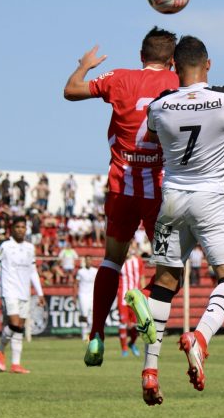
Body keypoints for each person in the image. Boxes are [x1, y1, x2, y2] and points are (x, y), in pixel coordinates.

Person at [133, 34, 224, 405]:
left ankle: (150, 371)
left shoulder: (161, 104)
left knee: (165, 284)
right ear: (209, 64)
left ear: (173, 68)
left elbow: (149, 135)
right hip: (212, 198)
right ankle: (200, 336)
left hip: (172, 201)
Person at [63, 27, 180, 367]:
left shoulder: (120, 78)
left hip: (121, 185)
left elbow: (70, 90)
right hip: (159, 189)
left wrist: (85, 65)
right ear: (172, 60)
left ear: (141, 56)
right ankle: (143, 297)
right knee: (172, 268)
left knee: (112, 260)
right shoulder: (179, 85)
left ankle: (97, 334)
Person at [0, 216, 45, 374]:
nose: (20, 230)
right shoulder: (5, 245)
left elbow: (33, 272)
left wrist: (40, 293)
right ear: (12, 229)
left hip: (24, 292)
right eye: (17, 227)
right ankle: (0, 349)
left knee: (19, 328)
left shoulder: (30, 248)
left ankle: (15, 364)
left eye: (23, 227)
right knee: (14, 322)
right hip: (8, 290)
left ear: (26, 229)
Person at [117, 250, 146, 357]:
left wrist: (143, 294)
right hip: (123, 297)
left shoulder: (138, 261)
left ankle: (132, 343)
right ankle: (124, 348)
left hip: (136, 298)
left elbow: (142, 277)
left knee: (136, 325)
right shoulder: (119, 262)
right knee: (123, 323)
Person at [75, 256, 98, 341]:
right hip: (83, 295)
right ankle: (84, 334)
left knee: (92, 315)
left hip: (92, 295)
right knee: (84, 314)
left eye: (90, 260)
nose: (88, 262)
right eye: (87, 260)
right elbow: (75, 284)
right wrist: (74, 296)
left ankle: (91, 334)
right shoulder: (80, 271)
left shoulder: (95, 271)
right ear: (84, 261)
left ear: (91, 261)